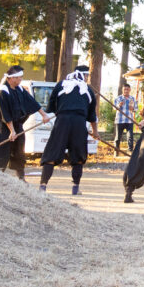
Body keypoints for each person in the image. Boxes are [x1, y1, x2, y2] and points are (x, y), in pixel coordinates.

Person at [39, 65, 98, 195]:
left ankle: (43, 186)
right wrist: (95, 132)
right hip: (79, 123)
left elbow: (52, 105)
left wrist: (61, 111)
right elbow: (92, 116)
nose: (87, 78)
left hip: (62, 121)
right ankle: (75, 188)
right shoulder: (87, 90)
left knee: (52, 153)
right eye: (87, 76)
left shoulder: (61, 85)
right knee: (78, 155)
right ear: (84, 75)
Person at [0, 66, 50, 178]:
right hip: (5, 128)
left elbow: (32, 102)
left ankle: (20, 178)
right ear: (12, 78)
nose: (21, 80)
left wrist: (44, 115)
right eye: (19, 78)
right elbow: (5, 114)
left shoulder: (20, 90)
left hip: (18, 126)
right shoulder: (3, 93)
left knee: (19, 152)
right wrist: (12, 131)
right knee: (2, 152)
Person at [113, 83, 136, 155]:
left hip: (129, 120)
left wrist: (133, 108)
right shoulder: (118, 98)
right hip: (120, 120)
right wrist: (119, 105)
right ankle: (116, 151)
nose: (126, 91)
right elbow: (114, 108)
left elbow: (135, 109)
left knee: (130, 136)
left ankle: (130, 151)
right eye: (124, 89)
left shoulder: (132, 99)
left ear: (130, 90)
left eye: (127, 89)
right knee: (118, 137)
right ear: (122, 90)